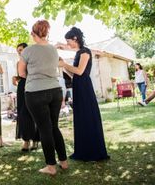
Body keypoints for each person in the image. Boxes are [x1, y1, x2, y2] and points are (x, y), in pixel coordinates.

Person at [18, 20, 68, 175]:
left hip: (36, 93)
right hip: (55, 91)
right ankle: (64, 162)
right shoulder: (53, 50)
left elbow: (21, 73)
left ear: (34, 34)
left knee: (45, 129)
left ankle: (51, 167)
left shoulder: (28, 51)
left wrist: (33, 75)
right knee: (53, 127)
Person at [57, 27, 110, 162]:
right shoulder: (78, 53)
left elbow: (80, 71)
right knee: (81, 118)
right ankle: (83, 150)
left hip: (85, 88)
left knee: (88, 117)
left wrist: (64, 64)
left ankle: (93, 152)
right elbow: (74, 75)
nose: (68, 44)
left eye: (69, 41)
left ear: (75, 38)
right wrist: (64, 66)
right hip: (78, 86)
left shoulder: (85, 52)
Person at [13, 42, 40, 152]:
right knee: (23, 113)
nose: (19, 52)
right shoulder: (18, 63)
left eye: (21, 49)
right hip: (22, 88)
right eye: (18, 50)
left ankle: (35, 140)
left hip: (33, 87)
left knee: (33, 113)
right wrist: (15, 78)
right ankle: (26, 140)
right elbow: (20, 77)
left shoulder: (33, 61)